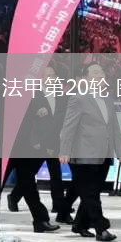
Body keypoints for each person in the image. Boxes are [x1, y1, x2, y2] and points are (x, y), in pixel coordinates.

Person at [0, 63, 60, 234]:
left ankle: (40, 220)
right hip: (6, 146)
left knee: (28, 184)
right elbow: (11, 113)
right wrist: (34, 111)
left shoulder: (33, 92)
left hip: (25, 146)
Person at [60, 62, 121, 242]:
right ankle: (101, 229)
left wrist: (120, 151)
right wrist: (64, 150)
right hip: (83, 154)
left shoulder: (107, 99)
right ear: (85, 78)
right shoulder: (78, 98)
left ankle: (80, 224)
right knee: (91, 194)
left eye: (101, 72)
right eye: (95, 73)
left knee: (92, 191)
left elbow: (114, 127)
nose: (99, 76)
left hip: (104, 153)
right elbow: (69, 127)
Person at [6, 66, 77, 225]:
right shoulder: (33, 95)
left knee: (56, 175)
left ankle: (60, 209)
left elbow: (61, 121)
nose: (50, 78)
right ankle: (14, 197)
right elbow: (27, 122)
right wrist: (34, 140)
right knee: (28, 175)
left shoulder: (61, 96)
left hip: (53, 142)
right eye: (46, 75)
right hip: (36, 144)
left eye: (52, 75)